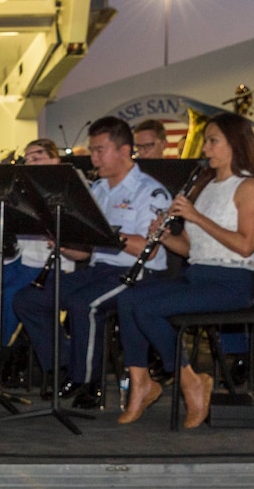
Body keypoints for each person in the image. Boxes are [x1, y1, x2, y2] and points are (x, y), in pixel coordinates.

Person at [114, 114, 254, 426]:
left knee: (149, 309)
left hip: (231, 282)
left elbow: (245, 245)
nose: (206, 148)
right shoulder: (204, 186)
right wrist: (164, 236)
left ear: (235, 144)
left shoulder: (250, 186)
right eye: (206, 140)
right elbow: (192, 248)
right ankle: (142, 384)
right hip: (198, 275)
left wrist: (197, 217)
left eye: (213, 141)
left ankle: (189, 381)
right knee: (127, 299)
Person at [13, 117, 171, 409]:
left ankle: (87, 381)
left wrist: (108, 235)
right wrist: (65, 244)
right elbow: (86, 253)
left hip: (138, 273)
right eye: (93, 150)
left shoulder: (149, 191)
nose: (93, 157)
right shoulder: (97, 190)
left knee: (84, 304)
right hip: (100, 270)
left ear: (124, 151)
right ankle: (63, 366)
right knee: (28, 299)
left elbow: (148, 250)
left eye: (100, 150)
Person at [0, 139, 66, 351]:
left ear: (55, 160)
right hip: (18, 258)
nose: (30, 163)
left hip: (48, 262)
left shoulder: (64, 187)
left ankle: (4, 351)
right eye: (27, 159)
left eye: (37, 157)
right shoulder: (22, 189)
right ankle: (3, 342)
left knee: (10, 296)